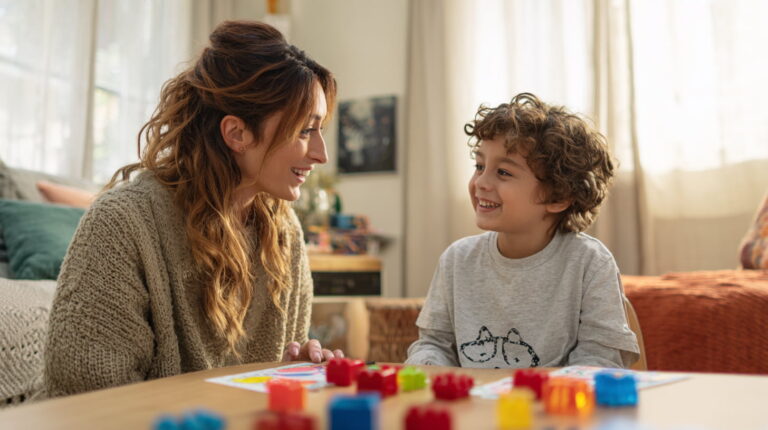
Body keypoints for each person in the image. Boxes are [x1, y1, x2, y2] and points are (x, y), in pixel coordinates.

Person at [42, 21, 343, 398]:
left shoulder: (284, 232)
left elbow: (264, 388)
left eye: (319, 131)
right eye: (304, 131)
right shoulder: (121, 224)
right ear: (237, 134)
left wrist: (294, 374)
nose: (321, 154)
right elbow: (87, 403)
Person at [406, 93, 639, 369]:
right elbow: (433, 343)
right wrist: (429, 367)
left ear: (558, 197)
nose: (481, 181)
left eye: (503, 172)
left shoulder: (590, 262)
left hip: (553, 410)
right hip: (474, 409)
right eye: (479, 166)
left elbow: (600, 358)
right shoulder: (456, 259)